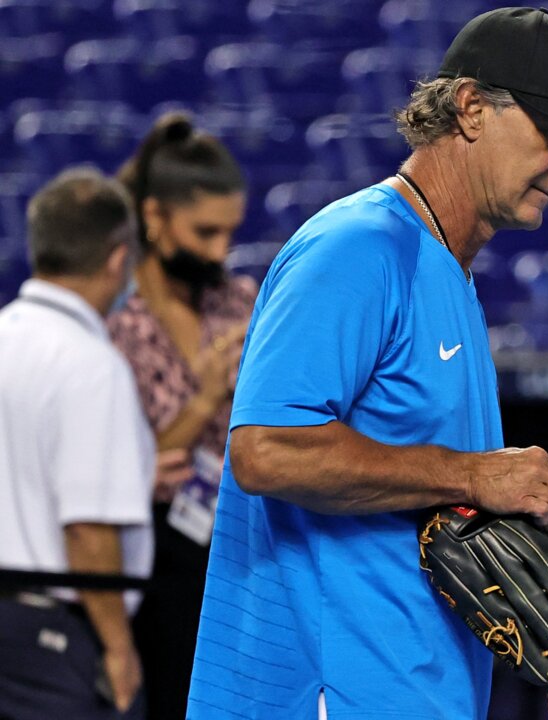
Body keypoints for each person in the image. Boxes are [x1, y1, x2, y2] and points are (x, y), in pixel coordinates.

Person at [186, 7, 548, 719]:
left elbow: (421, 479)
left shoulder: (447, 269)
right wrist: (477, 474)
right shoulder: (359, 247)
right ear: (471, 108)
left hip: (416, 687)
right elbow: (264, 452)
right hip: (325, 693)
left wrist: (533, 485)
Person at [108, 111, 255, 720]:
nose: (220, 252)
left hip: (244, 542)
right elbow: (142, 461)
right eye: (204, 233)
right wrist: (206, 397)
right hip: (161, 561)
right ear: (154, 219)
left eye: (230, 233)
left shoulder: (241, 299)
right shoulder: (119, 322)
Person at [0, 167, 155, 718]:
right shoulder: (91, 366)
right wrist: (118, 648)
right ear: (118, 258)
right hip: (55, 638)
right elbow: (87, 529)